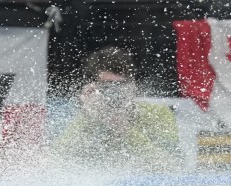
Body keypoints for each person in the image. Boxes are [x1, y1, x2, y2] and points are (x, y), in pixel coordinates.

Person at [51, 46, 180, 171]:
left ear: (133, 86)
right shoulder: (79, 114)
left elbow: (173, 166)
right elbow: (53, 163)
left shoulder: (157, 113)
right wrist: (88, 115)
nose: (115, 92)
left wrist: (125, 129)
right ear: (93, 88)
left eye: (120, 85)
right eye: (107, 86)